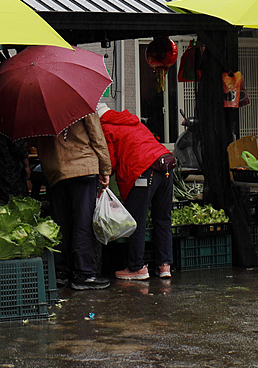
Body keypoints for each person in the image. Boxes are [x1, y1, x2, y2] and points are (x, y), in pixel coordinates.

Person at [33, 112, 112, 290]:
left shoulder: (40, 108)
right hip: (82, 167)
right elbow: (96, 135)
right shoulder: (80, 103)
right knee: (82, 222)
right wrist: (105, 168)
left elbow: (33, 140)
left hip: (55, 171)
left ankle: (59, 273)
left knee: (60, 222)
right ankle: (84, 274)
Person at [97, 103, 176, 281]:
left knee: (136, 220)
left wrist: (105, 175)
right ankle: (165, 265)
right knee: (163, 218)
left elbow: (110, 160)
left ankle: (136, 267)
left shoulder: (105, 127)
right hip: (165, 164)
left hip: (143, 170)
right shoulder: (131, 121)